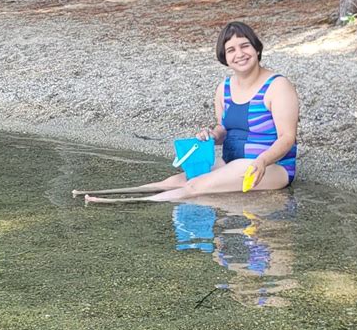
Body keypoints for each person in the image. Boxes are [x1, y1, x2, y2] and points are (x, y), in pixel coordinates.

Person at [76, 21, 299, 203]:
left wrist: (261, 161)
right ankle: (105, 191)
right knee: (174, 181)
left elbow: (287, 138)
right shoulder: (225, 89)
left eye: (245, 46)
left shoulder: (278, 86)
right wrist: (212, 134)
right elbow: (225, 129)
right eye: (231, 49)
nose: (239, 54)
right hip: (232, 162)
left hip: (270, 167)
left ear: (257, 48)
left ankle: (121, 204)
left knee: (195, 187)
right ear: (224, 57)